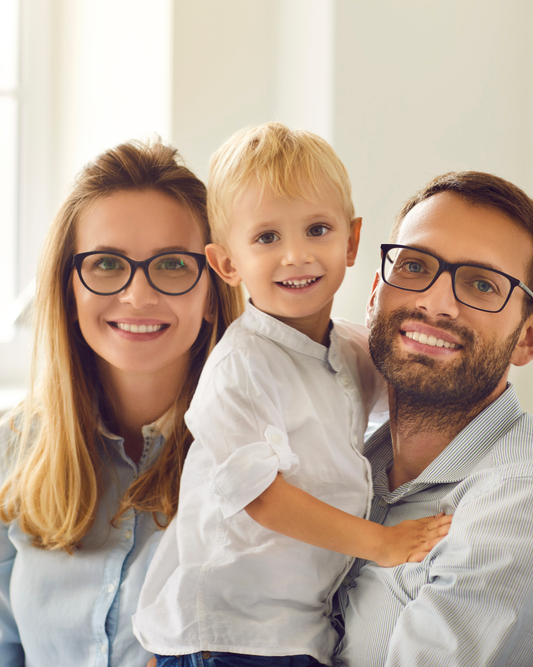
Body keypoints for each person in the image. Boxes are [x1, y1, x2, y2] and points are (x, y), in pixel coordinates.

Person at [133, 123, 451, 667]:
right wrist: (382, 543)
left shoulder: (350, 349)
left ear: (351, 242)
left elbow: (412, 390)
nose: (296, 256)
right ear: (227, 264)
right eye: (266, 238)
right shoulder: (239, 369)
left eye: (317, 229)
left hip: (296, 629)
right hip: (226, 633)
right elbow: (262, 498)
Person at [0, 139, 243, 666]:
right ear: (69, 289)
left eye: (173, 264)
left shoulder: (258, 456)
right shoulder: (11, 452)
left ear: (212, 291)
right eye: (107, 263)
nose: (138, 295)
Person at [333, 172, 533, 666]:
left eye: (480, 284)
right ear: (374, 294)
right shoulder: (350, 464)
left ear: (529, 337)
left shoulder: (530, 502)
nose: (435, 302)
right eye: (413, 266)